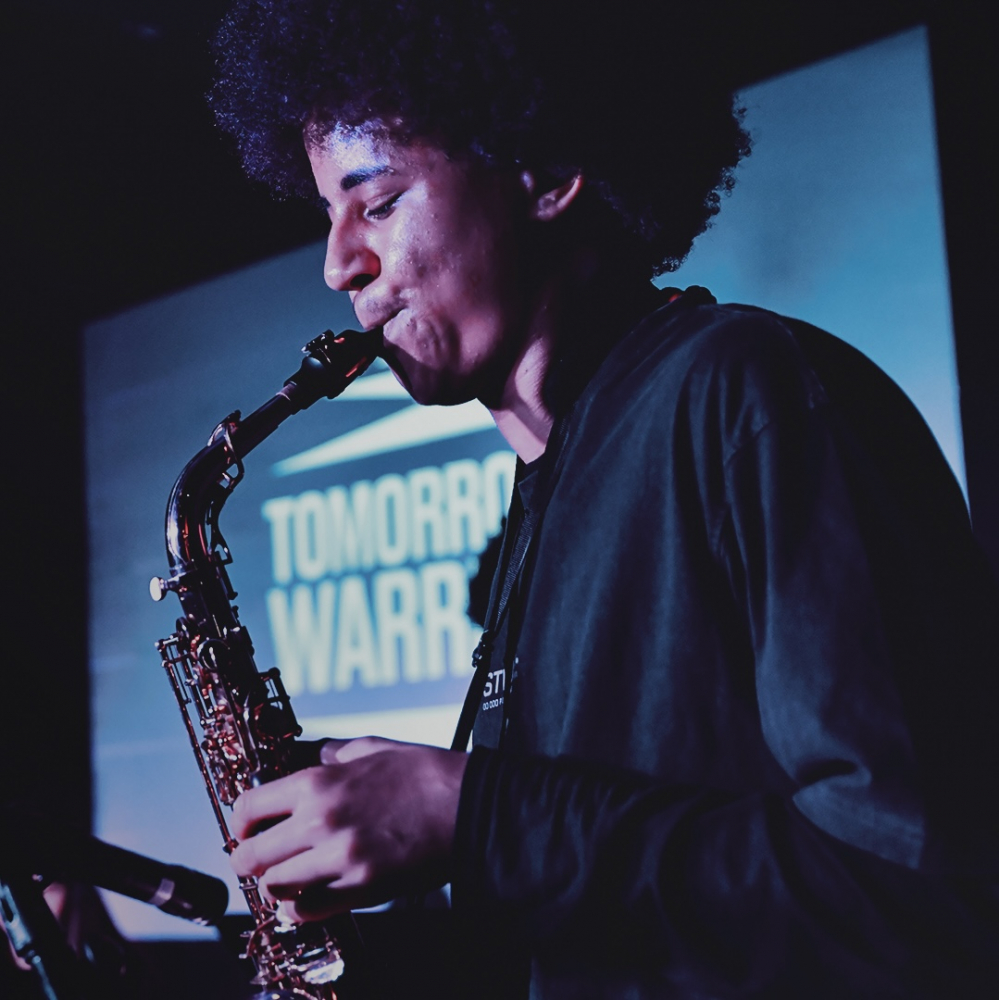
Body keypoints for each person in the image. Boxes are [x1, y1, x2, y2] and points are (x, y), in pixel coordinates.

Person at [209, 1, 999, 996]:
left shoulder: (744, 389)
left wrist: (477, 817)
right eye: (327, 216)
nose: (337, 266)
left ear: (545, 172)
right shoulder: (546, 485)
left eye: (378, 202)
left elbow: (921, 888)